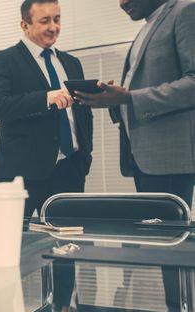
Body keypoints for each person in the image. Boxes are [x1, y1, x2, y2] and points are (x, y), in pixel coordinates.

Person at [75, 0, 195, 207]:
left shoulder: (185, 11)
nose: (122, 3)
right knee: (153, 235)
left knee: (166, 236)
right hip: (142, 157)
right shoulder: (149, 24)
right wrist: (110, 100)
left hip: (169, 160)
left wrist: (129, 98)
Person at [0, 0, 93, 217]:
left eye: (57, 19)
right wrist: (45, 98)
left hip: (70, 171)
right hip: (21, 174)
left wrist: (85, 158)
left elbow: (83, 114)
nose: (53, 27)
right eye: (45, 21)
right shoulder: (3, 60)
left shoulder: (72, 63)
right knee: (14, 243)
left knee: (69, 244)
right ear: (25, 25)